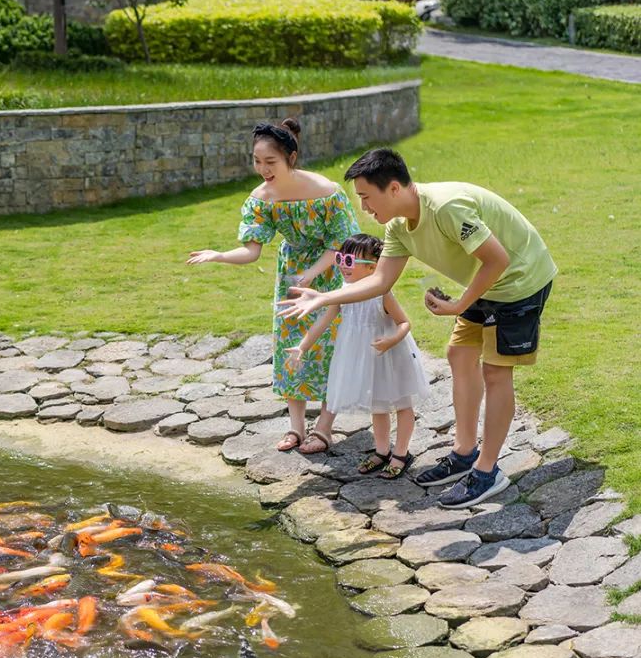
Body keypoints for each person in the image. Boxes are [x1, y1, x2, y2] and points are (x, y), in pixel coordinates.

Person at [279, 148, 556, 509]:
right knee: (458, 355)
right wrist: (324, 298)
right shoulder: (397, 227)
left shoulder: (446, 208)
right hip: (486, 283)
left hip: (520, 280)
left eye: (366, 197)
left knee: (496, 373)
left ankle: (488, 472)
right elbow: (380, 281)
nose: (363, 208)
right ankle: (465, 452)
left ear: (393, 188)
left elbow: (498, 259)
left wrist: (459, 304)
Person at [188, 119, 359, 454]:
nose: (262, 169)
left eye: (270, 162)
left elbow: (342, 242)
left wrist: (312, 273)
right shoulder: (262, 198)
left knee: (329, 346)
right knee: (290, 345)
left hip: (327, 274)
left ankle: (324, 427)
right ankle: (296, 428)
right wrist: (219, 255)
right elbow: (252, 251)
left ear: (290, 159)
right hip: (292, 276)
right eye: (257, 161)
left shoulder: (326, 191)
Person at [287, 234, 430, 478]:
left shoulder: (381, 293)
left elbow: (404, 322)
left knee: (402, 404)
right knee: (379, 405)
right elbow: (323, 320)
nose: (342, 264)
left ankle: (401, 453)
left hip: (392, 355)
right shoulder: (342, 293)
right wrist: (302, 346)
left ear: (373, 267)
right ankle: (383, 450)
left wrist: (391, 340)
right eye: (341, 258)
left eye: (350, 260)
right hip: (366, 358)